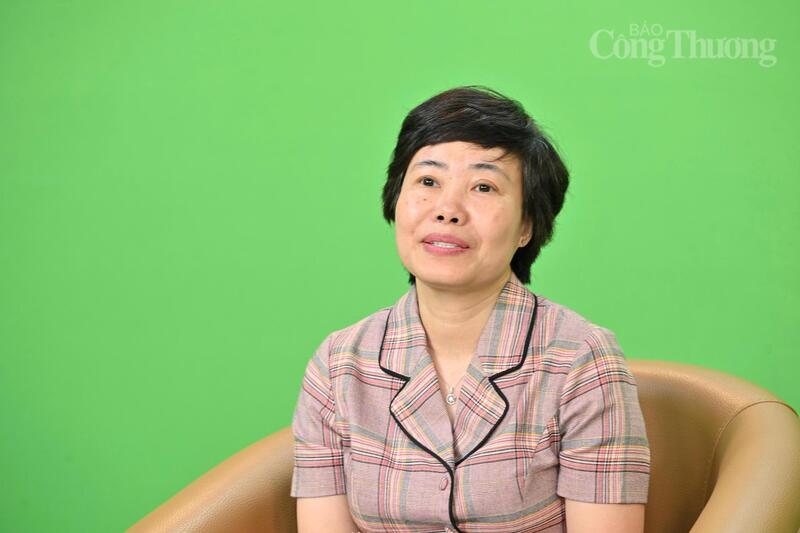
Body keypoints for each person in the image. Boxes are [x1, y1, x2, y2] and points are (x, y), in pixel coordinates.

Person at [290, 85, 651, 533]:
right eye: (428, 181)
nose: (447, 210)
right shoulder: (339, 364)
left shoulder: (581, 359)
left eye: (484, 186)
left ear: (526, 225)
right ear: (395, 200)